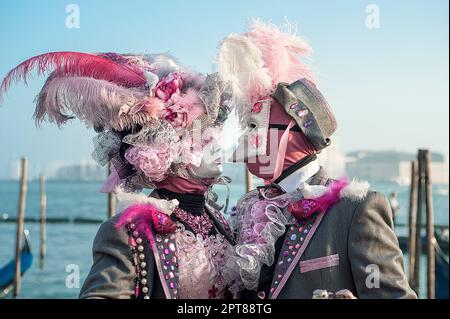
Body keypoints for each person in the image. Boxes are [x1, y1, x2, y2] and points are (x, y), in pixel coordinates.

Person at [1, 52, 237, 299]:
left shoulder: (220, 220)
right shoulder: (127, 231)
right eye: (207, 138)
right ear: (170, 150)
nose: (218, 147)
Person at [217, 19, 417, 299]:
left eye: (254, 127)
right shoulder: (248, 209)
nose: (244, 140)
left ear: (294, 133)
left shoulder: (356, 209)